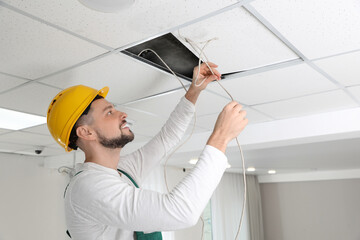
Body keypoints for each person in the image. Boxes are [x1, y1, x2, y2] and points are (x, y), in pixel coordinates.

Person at [47, 62, 248, 240]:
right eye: (109, 112)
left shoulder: (122, 170)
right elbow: (181, 212)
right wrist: (220, 137)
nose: (122, 114)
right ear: (86, 132)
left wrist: (193, 91)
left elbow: (166, 138)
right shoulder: (89, 187)